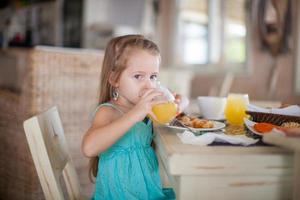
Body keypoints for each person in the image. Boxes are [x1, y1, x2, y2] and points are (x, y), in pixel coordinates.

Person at [82, 35, 179, 199]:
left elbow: (171, 115)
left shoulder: (145, 108)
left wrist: (178, 104)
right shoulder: (109, 112)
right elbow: (89, 148)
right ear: (114, 79)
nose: (149, 85)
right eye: (138, 76)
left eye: (153, 77)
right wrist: (136, 113)